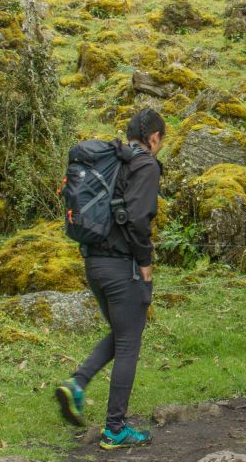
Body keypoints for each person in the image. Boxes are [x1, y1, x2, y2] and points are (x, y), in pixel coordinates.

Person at [55, 109, 165, 449]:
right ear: (155, 138)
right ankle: (115, 428)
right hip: (123, 268)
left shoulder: (112, 158)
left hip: (94, 264)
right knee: (129, 344)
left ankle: (77, 384)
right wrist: (144, 262)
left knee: (122, 333)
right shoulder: (145, 164)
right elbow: (136, 218)